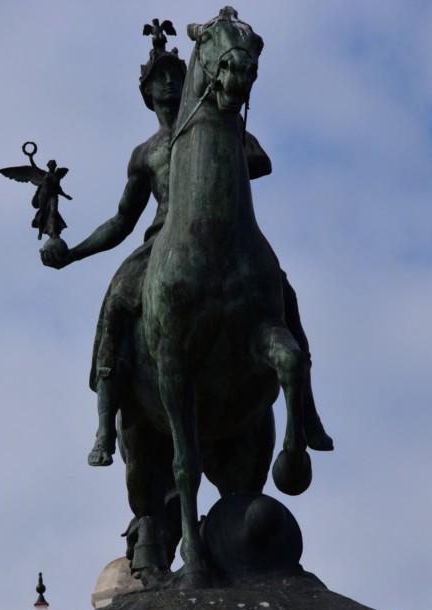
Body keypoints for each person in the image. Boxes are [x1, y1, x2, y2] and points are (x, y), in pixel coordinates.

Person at [41, 35, 322, 467]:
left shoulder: (227, 127)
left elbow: (262, 162)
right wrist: (73, 253)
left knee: (285, 293)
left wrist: (218, 153)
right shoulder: (146, 153)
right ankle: (104, 428)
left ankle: (306, 410)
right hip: (161, 243)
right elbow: (122, 221)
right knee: (117, 301)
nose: (170, 83)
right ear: (147, 93)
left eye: (176, 74)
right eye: (160, 79)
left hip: (229, 237)